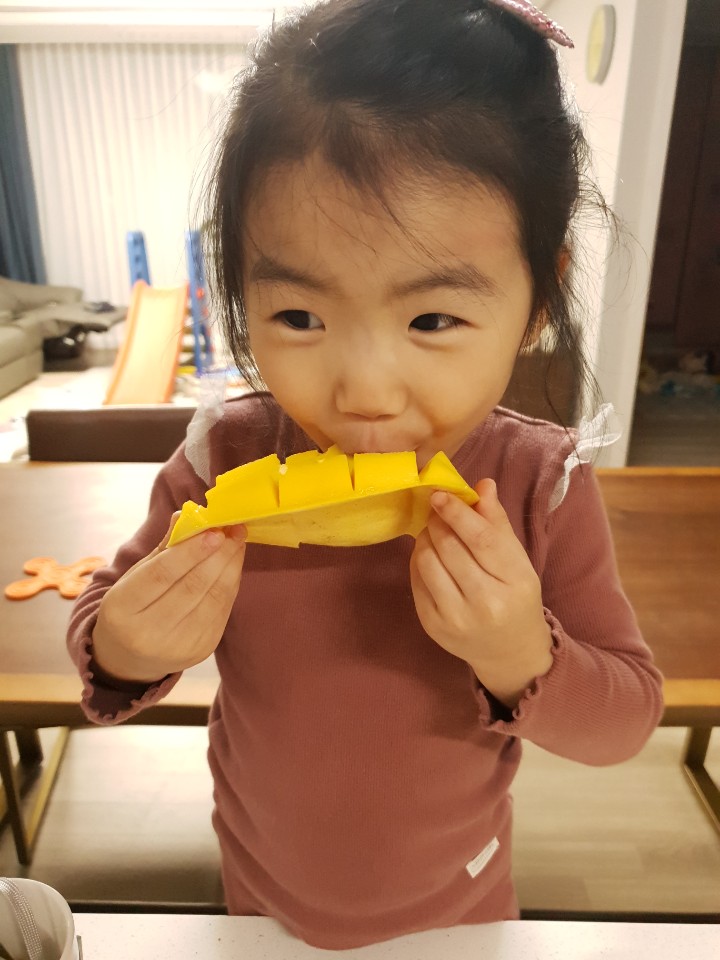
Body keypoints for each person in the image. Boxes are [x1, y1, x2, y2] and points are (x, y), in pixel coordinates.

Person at [68, 0, 663, 949]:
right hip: (258, 895)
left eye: (432, 321)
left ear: (537, 302)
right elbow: (102, 626)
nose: (365, 393)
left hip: (459, 909)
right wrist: (129, 645)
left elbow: (626, 719)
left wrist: (522, 654)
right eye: (299, 317)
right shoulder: (220, 456)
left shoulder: (541, 484)